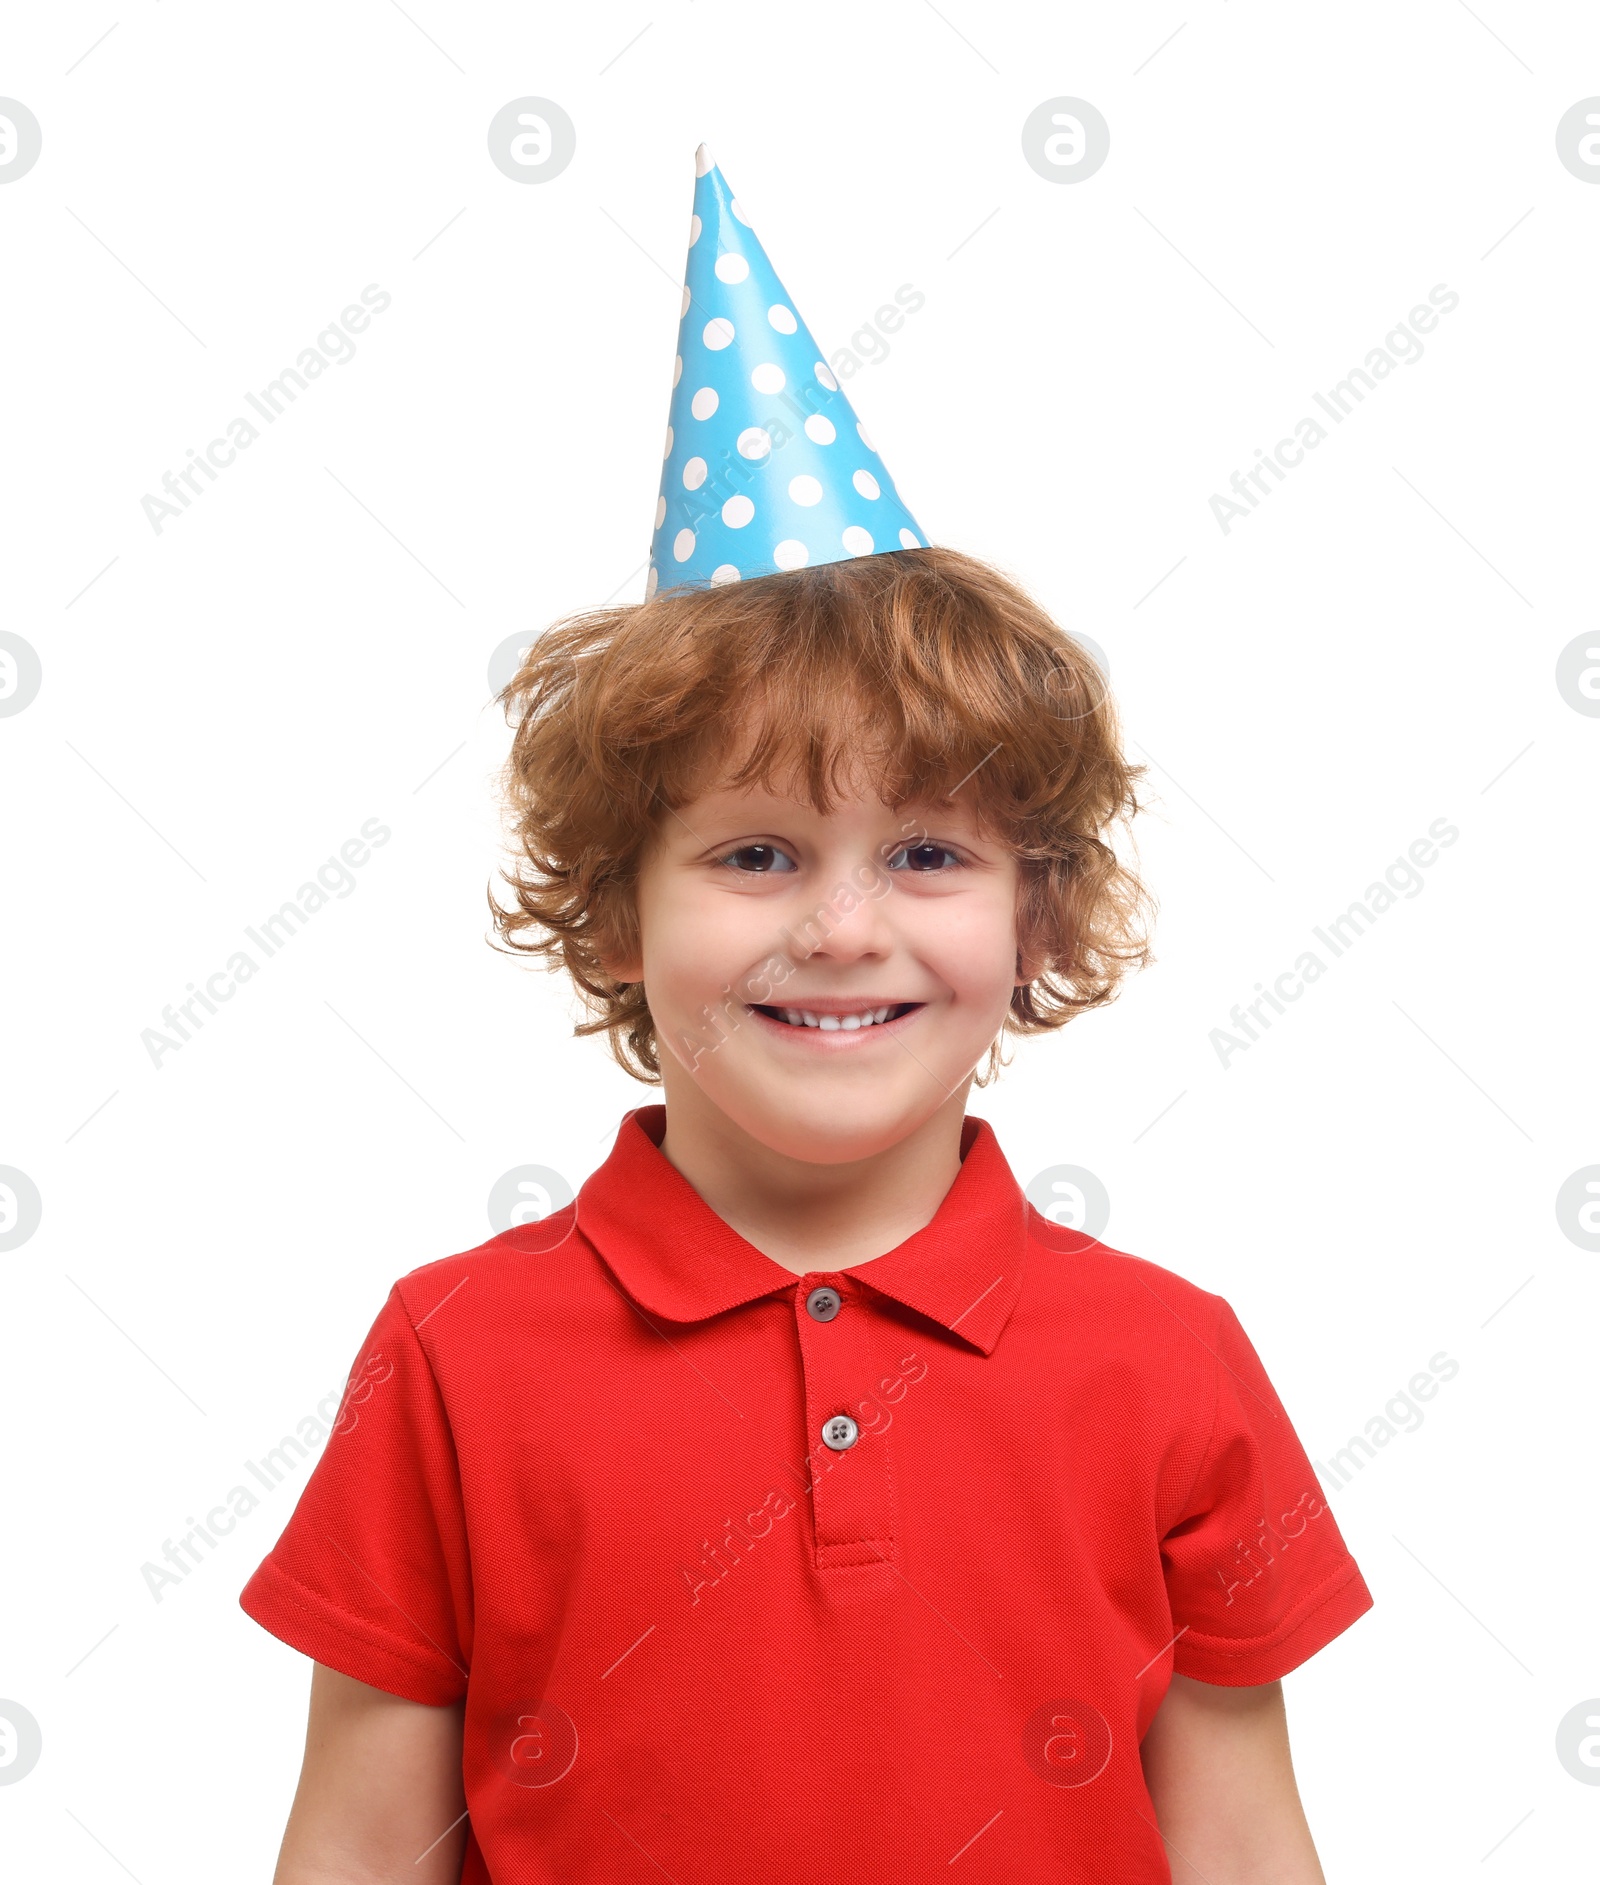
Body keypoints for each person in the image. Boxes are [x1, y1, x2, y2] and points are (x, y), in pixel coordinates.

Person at [241, 147, 1372, 1885]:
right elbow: (356, 1850)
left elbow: (1244, 1846)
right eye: (757, 852)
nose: (842, 930)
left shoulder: (1169, 1360)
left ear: (1035, 913)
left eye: (926, 852)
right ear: (620, 914)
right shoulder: (453, 1356)